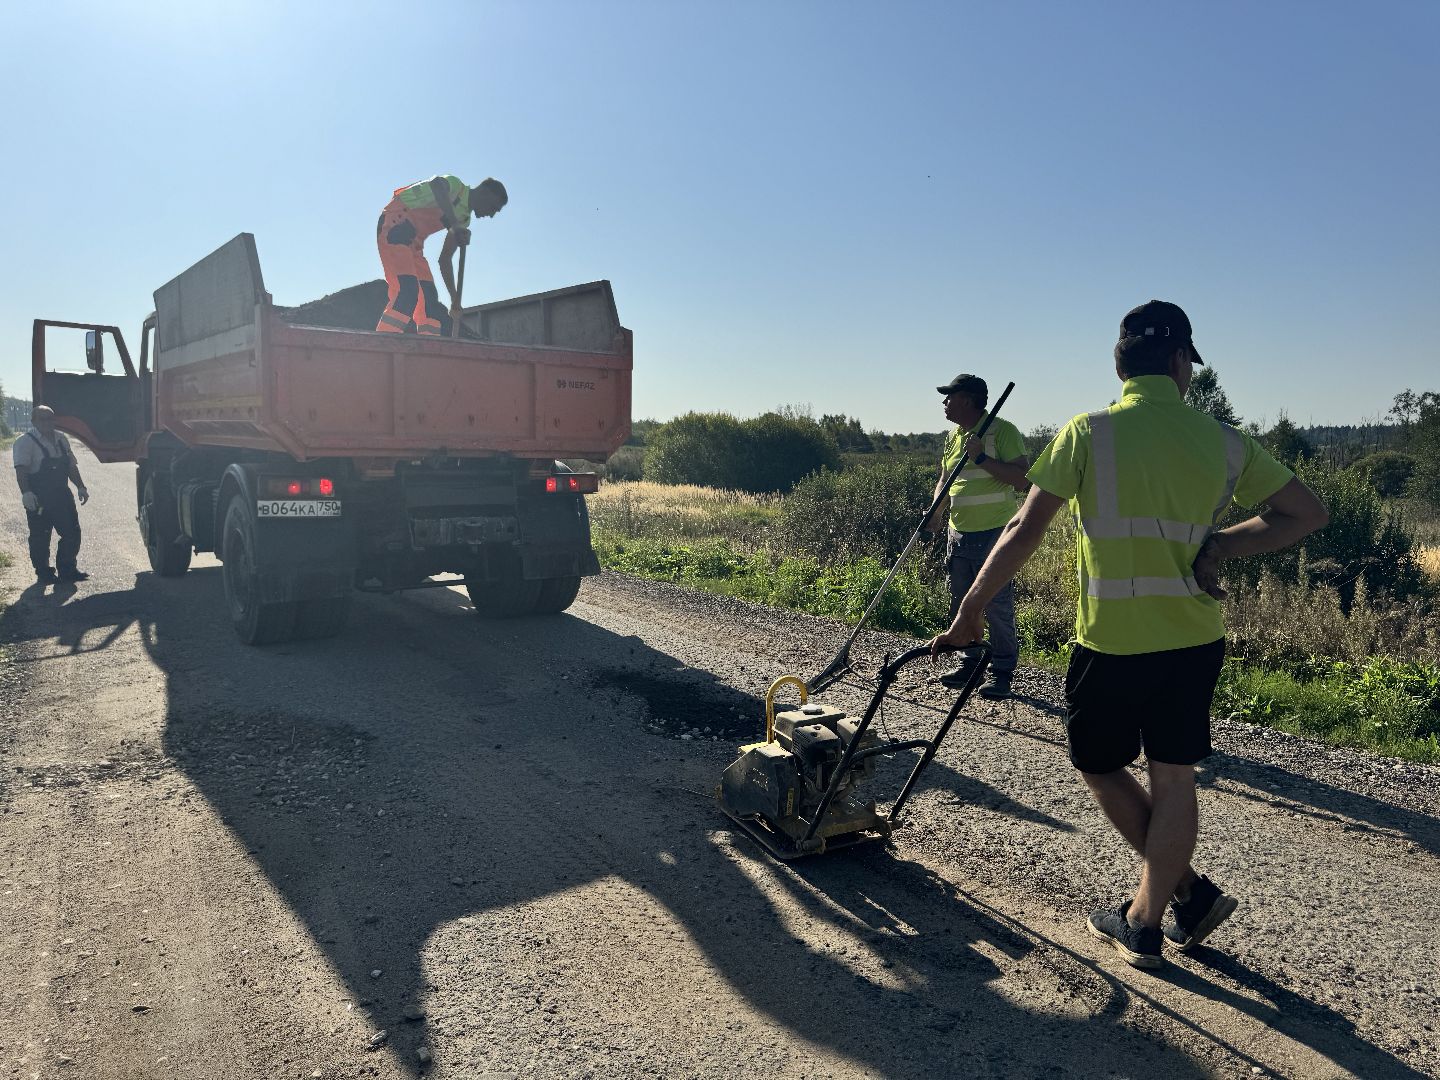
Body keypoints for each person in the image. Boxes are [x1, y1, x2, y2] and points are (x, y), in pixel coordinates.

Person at [930, 301, 1328, 969]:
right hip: (1194, 639)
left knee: (1098, 765)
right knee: (1174, 776)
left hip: (1112, 640)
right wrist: (1220, 546)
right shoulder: (1225, 440)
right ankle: (1183, 898)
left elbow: (1022, 529)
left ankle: (1148, 917)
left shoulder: (1089, 433)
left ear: (1121, 364)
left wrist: (970, 610)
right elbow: (1305, 513)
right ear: (1180, 364)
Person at [927, 374, 1030, 699]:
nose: (944, 403)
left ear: (968, 400)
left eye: (950, 397)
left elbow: (1022, 480)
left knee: (996, 603)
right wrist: (936, 512)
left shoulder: (1002, 431)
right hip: (959, 532)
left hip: (995, 532)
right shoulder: (953, 436)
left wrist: (982, 458)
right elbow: (946, 479)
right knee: (961, 601)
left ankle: (1001, 670)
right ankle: (970, 661)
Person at [374, 175, 508, 336]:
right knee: (407, 290)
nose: (492, 214)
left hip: (413, 245)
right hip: (395, 225)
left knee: (429, 301)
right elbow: (437, 184)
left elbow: (445, 259)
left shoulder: (464, 218)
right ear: (486, 194)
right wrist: (455, 225)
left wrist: (454, 299)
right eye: (494, 208)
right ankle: (384, 342)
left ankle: (427, 349)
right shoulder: (455, 187)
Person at [13, 405, 90, 584]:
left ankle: (67, 569)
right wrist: (26, 493)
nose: (47, 422)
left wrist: (81, 486)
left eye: (50, 418)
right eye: (43, 419)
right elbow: (21, 471)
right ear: (34, 421)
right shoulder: (24, 442)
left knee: (72, 532)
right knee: (41, 535)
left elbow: (71, 466)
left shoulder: (62, 439)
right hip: (38, 499)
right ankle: (43, 572)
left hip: (62, 496)